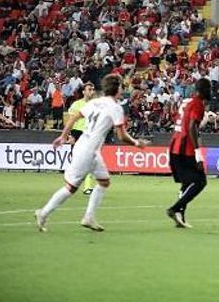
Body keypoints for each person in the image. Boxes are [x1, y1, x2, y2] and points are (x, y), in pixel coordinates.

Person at [35, 74, 150, 233]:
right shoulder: (115, 108)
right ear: (116, 89)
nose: (122, 89)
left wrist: (63, 136)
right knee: (70, 188)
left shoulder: (95, 102)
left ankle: (89, 217)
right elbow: (121, 136)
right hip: (87, 151)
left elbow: (74, 117)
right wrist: (137, 143)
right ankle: (43, 213)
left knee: (104, 182)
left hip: (88, 148)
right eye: (121, 87)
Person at [166, 78, 212, 229]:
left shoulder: (186, 102)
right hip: (185, 149)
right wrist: (198, 154)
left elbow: (180, 120)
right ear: (204, 90)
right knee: (200, 181)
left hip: (175, 146)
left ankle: (180, 216)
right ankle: (175, 209)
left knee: (186, 183)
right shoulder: (198, 104)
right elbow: (192, 127)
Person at [65, 82, 97, 195]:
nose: (91, 91)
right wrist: (69, 135)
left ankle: (88, 187)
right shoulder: (76, 104)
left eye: (92, 89)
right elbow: (70, 120)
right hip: (77, 133)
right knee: (77, 162)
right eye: (89, 89)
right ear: (83, 92)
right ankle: (71, 184)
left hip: (89, 135)